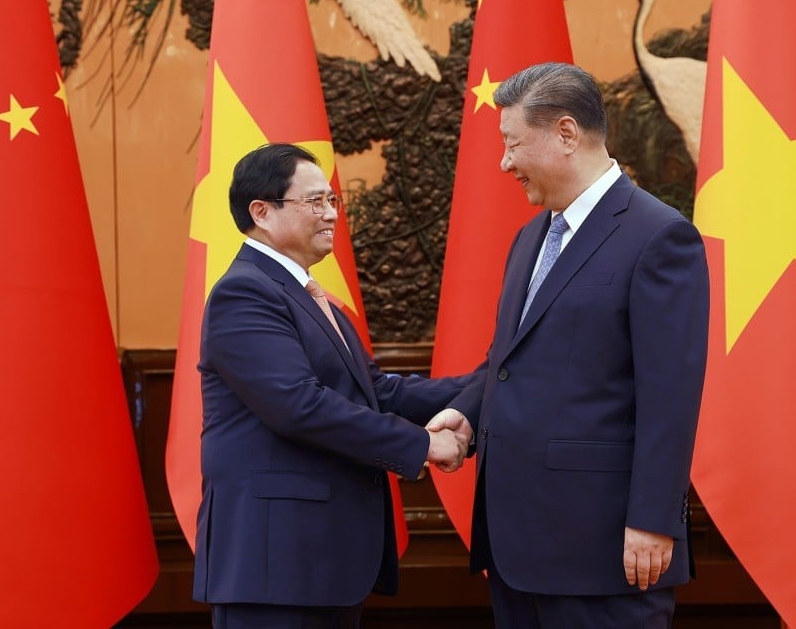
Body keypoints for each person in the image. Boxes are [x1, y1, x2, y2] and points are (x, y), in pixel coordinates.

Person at [428, 62, 710, 628]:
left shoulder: (659, 236)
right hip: (517, 549)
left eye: (512, 144)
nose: (504, 163)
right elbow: (509, 362)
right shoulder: (530, 236)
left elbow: (670, 395)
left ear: (564, 133)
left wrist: (654, 519)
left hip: (604, 550)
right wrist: (465, 412)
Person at [193, 142, 471, 628]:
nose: (330, 215)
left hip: (320, 561)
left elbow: (378, 392)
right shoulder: (244, 292)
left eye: (332, 202)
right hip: (275, 566)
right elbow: (298, 406)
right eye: (314, 202)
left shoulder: (309, 296)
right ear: (262, 211)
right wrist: (422, 443)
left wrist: (491, 384)